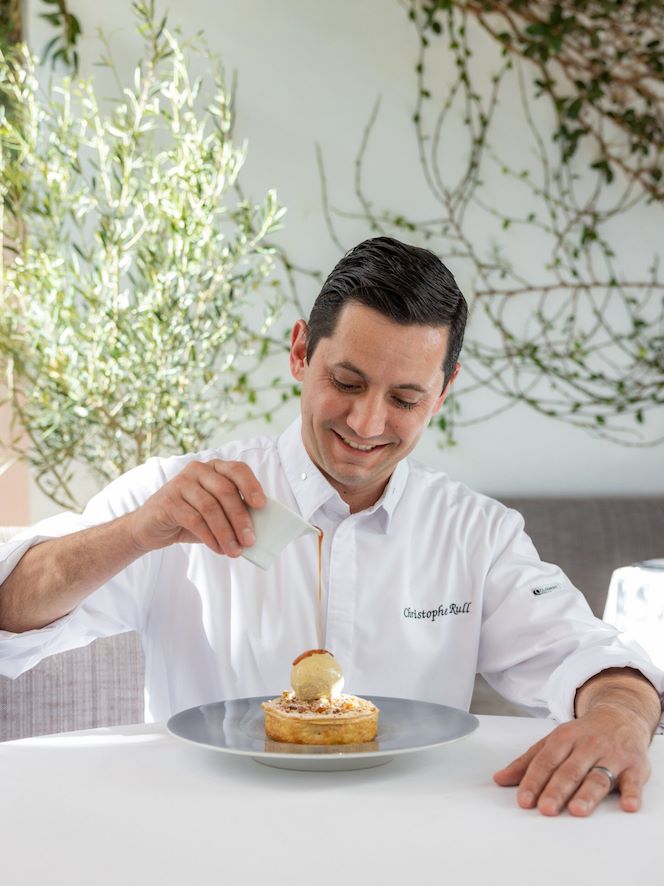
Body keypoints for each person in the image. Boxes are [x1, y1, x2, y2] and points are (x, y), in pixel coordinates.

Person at [0, 237, 662, 817]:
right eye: (346, 382)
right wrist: (133, 534)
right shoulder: (177, 497)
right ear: (299, 352)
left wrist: (620, 717)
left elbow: (585, 654)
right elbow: (9, 607)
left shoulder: (475, 534)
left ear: (443, 391)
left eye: (405, 398)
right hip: (206, 832)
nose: (367, 424)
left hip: (413, 838)